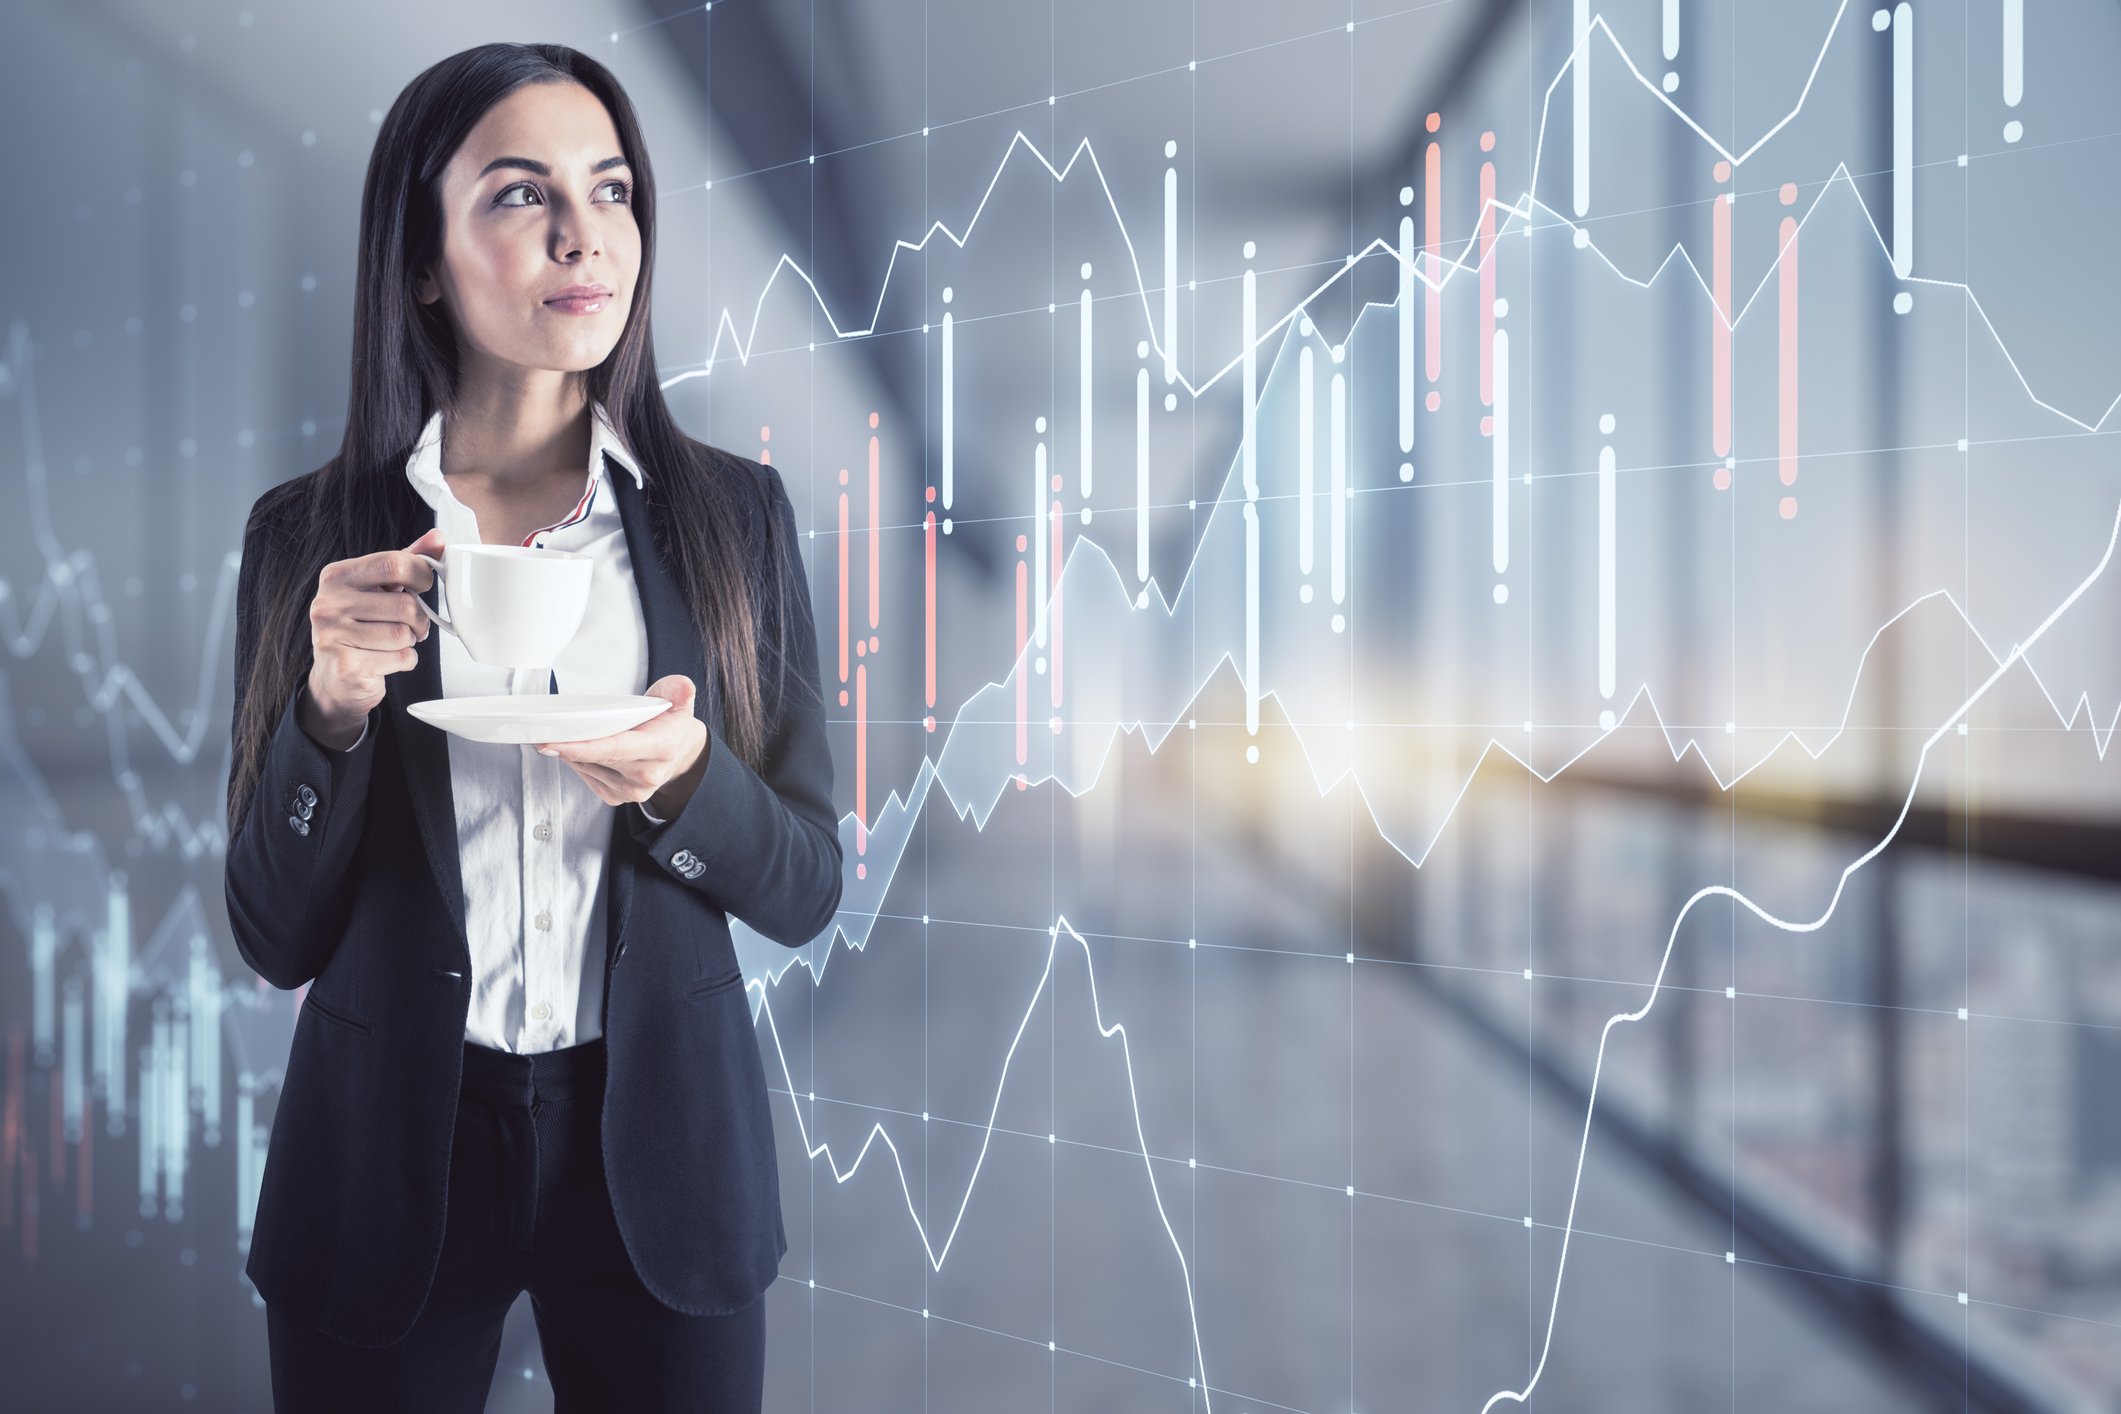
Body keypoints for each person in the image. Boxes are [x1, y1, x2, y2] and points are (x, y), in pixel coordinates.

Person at [222, 42, 842, 1412]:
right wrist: (327, 709)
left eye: (611, 188)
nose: (584, 234)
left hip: (662, 1151)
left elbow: (808, 881)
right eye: (519, 194)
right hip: (389, 1154)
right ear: (423, 260)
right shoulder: (310, 541)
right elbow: (272, 936)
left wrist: (686, 780)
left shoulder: (731, 523)